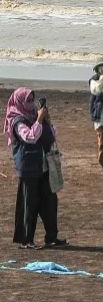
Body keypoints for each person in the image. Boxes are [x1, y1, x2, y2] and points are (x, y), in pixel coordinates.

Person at [7, 88, 66, 249]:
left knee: (49, 202)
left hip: (44, 166)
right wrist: (39, 121)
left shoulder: (35, 115)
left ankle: (51, 237)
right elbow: (30, 137)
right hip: (28, 169)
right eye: (28, 100)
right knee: (29, 204)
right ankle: (27, 240)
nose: (31, 104)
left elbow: (52, 134)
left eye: (32, 100)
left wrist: (46, 120)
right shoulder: (17, 121)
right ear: (20, 102)